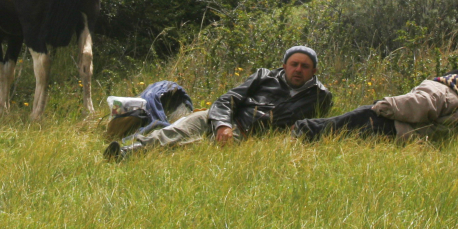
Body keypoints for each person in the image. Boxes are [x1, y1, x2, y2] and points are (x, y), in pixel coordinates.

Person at [103, 46, 332, 160]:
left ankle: (141, 151)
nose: (298, 70)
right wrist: (222, 123)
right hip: (219, 116)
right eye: (294, 64)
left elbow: (311, 125)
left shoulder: (321, 95)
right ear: (284, 66)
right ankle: (126, 152)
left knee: (196, 146)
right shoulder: (265, 76)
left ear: (314, 71)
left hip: (245, 132)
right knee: (178, 130)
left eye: (304, 66)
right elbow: (227, 99)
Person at [292, 69, 458, 142]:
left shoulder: (441, 88)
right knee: (348, 136)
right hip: (410, 139)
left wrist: (384, 106)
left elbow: (420, 104)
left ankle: (304, 130)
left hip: (393, 127)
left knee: (350, 120)